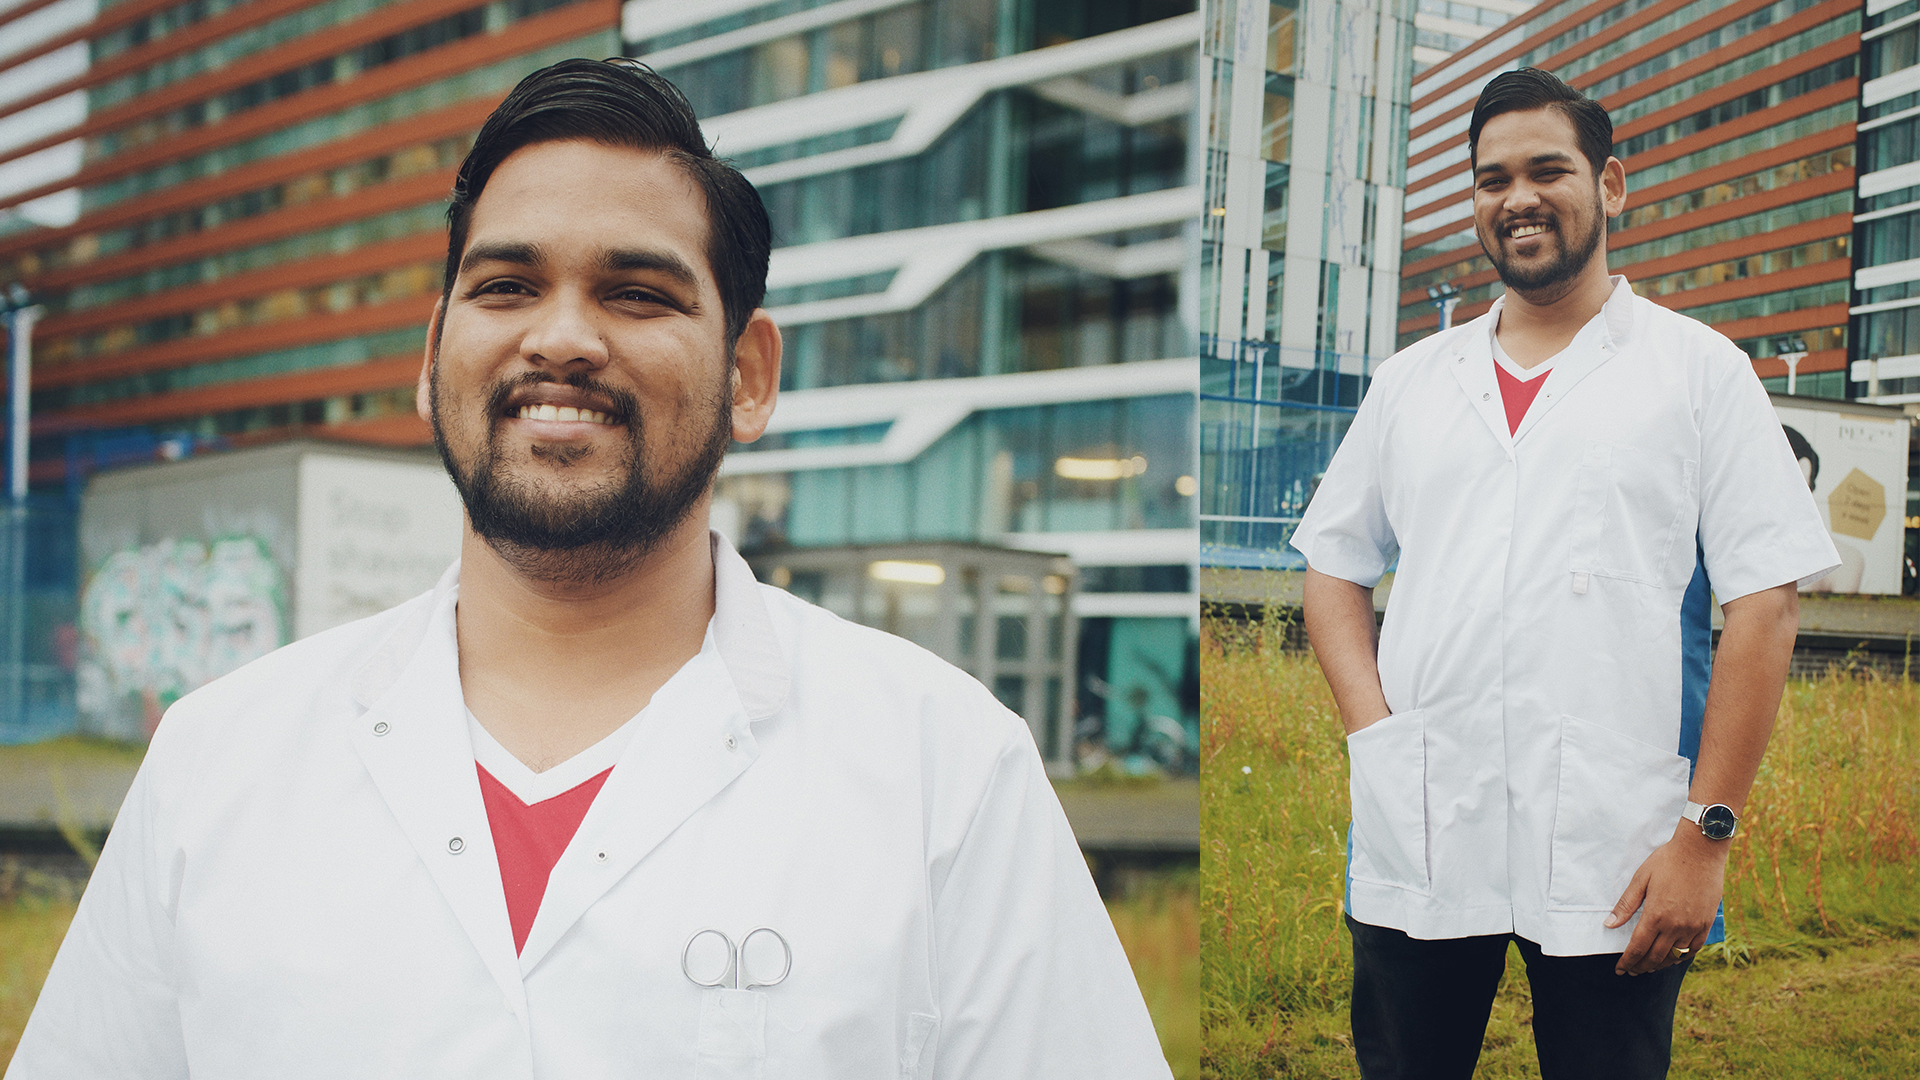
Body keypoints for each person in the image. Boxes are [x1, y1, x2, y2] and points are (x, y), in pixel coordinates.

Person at [9, 59, 1171, 1080]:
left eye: (637, 291)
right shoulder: (219, 762)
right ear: (432, 357)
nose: (561, 336)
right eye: (507, 286)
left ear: (749, 373)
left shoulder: (944, 772)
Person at [1289, 68, 1838, 1080]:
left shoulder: (1697, 370)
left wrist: (1704, 838)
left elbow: (1764, 604)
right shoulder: (1414, 380)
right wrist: (1376, 736)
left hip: (1618, 844)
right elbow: (1333, 568)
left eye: (1549, 169)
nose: (1519, 197)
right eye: (1492, 179)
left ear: (1613, 184)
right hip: (1424, 822)